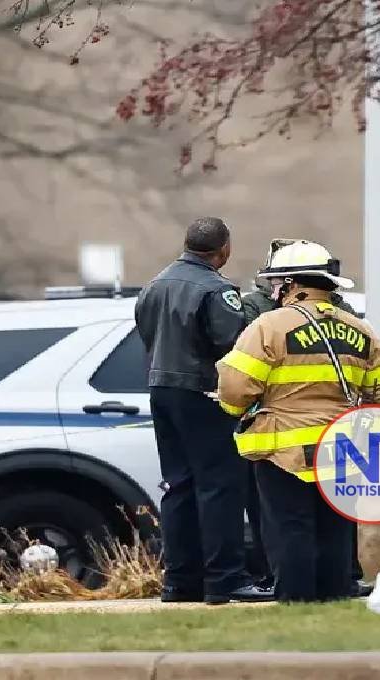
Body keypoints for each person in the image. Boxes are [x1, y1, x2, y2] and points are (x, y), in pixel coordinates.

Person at [216, 240, 380, 603]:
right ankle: (334, 598)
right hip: (344, 449)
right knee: (335, 528)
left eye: (276, 284)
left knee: (289, 527)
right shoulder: (361, 330)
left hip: (284, 450)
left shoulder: (269, 326)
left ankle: (296, 601)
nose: (273, 291)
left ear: (291, 284)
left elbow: (235, 387)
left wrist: (240, 412)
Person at [134, 216, 273, 605]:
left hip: (161, 389)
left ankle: (180, 581)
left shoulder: (154, 285)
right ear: (224, 248)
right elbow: (231, 343)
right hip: (203, 393)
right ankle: (224, 579)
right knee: (219, 487)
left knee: (178, 485)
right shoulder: (217, 290)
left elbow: (145, 334)